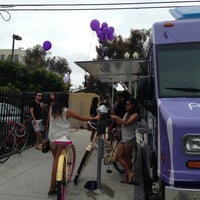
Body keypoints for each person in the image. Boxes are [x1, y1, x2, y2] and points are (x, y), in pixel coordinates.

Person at [47, 92, 100, 196]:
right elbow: (81, 118)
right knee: (56, 165)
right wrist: (94, 118)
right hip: (62, 140)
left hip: (52, 139)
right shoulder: (66, 111)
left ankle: (58, 181)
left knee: (56, 162)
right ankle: (51, 189)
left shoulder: (51, 109)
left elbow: (49, 121)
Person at [110, 97, 139, 184]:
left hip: (130, 139)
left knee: (128, 159)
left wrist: (116, 116)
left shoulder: (135, 115)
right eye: (126, 104)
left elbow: (126, 123)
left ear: (133, 105)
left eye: (128, 104)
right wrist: (115, 119)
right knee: (118, 156)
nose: (126, 106)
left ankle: (128, 177)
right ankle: (129, 173)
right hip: (124, 138)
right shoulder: (126, 113)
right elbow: (121, 123)